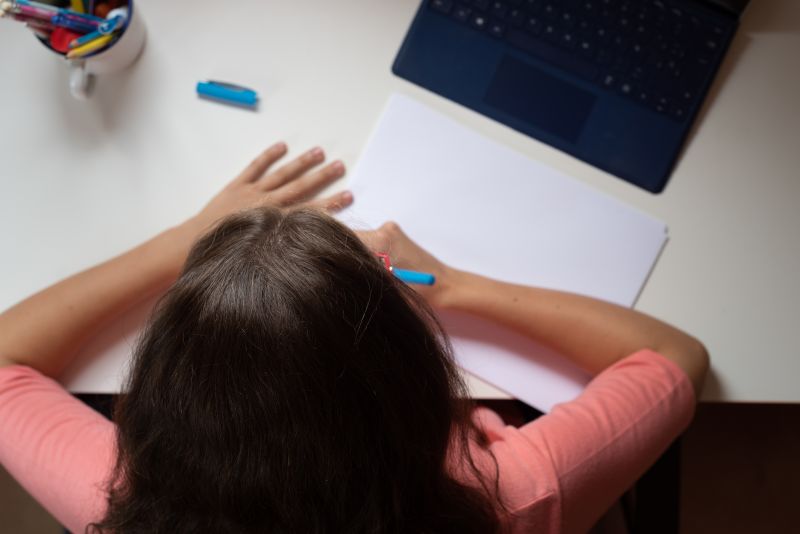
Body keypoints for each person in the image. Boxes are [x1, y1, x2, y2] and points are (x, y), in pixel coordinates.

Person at [0, 143, 709, 534]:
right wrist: (459, 289)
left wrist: (183, 243)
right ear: (420, 394)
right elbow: (674, 359)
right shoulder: (514, 501)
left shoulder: (115, 507)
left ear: (155, 409)